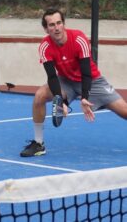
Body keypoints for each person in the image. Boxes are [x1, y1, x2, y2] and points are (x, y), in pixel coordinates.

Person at [20, 8, 127, 157]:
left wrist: (84, 97)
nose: (56, 28)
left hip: (92, 81)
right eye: (51, 25)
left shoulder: (78, 39)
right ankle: (38, 144)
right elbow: (52, 77)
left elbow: (86, 73)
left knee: (124, 111)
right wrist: (59, 101)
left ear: (64, 24)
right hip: (65, 81)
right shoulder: (45, 47)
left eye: (59, 23)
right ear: (46, 29)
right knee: (39, 96)